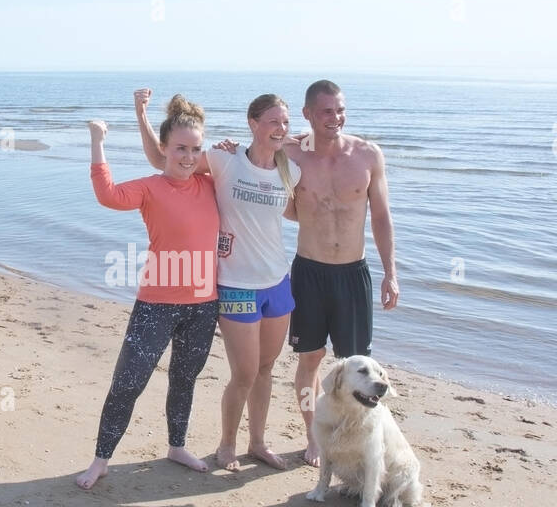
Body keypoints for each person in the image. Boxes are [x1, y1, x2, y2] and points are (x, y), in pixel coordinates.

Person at [135, 88, 300, 471]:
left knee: (265, 369)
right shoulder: (225, 159)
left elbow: (297, 211)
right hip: (235, 283)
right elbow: (165, 160)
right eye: (273, 121)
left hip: (277, 281)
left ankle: (257, 442)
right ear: (253, 123)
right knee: (243, 373)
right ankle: (227, 445)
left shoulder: (291, 168)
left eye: (286, 122)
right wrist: (141, 115)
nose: (281, 128)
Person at [76, 99, 220, 490]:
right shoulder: (150, 188)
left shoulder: (211, 184)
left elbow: (253, 162)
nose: (188, 157)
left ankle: (177, 446)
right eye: (180, 149)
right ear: (164, 149)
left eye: (195, 149)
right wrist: (97, 140)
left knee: (185, 378)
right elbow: (107, 195)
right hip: (156, 305)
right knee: (128, 382)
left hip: (204, 305)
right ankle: (100, 460)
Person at [283, 80, 400, 466]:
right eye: (326, 111)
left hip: (352, 274)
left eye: (340, 110)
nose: (335, 118)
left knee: (356, 365)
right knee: (310, 360)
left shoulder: (367, 155)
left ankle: (356, 438)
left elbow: (381, 217)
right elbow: (245, 163)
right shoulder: (290, 153)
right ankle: (314, 436)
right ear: (307, 115)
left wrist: (390, 273)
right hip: (309, 272)